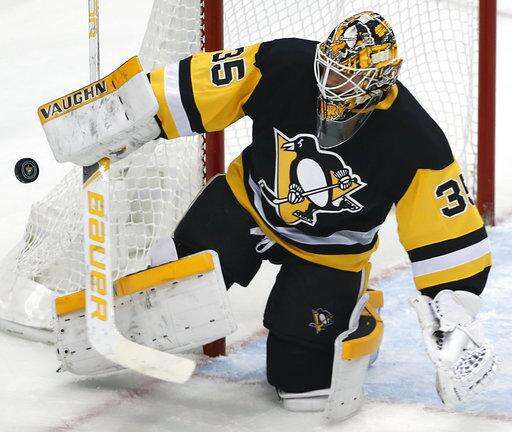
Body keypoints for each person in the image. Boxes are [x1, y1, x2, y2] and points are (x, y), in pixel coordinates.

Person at [40, 11, 496, 415]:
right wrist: (127, 114)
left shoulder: (415, 140)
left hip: (330, 253)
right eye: (329, 69)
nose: (331, 84)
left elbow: (446, 232)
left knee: (302, 388)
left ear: (380, 82)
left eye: (347, 79)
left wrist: (454, 306)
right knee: (172, 283)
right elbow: (201, 84)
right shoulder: (284, 64)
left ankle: (360, 314)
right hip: (248, 205)